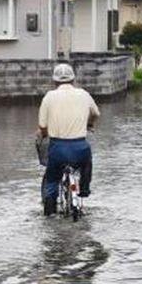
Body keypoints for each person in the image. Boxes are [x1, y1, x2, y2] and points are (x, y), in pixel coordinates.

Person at [38, 64, 100, 216]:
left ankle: (50, 211)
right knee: (87, 162)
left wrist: (45, 134)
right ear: (73, 80)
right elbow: (96, 113)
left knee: (52, 180)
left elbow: (42, 125)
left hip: (58, 148)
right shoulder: (84, 94)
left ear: (55, 81)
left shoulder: (49, 97)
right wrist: (89, 123)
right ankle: (84, 188)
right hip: (80, 148)